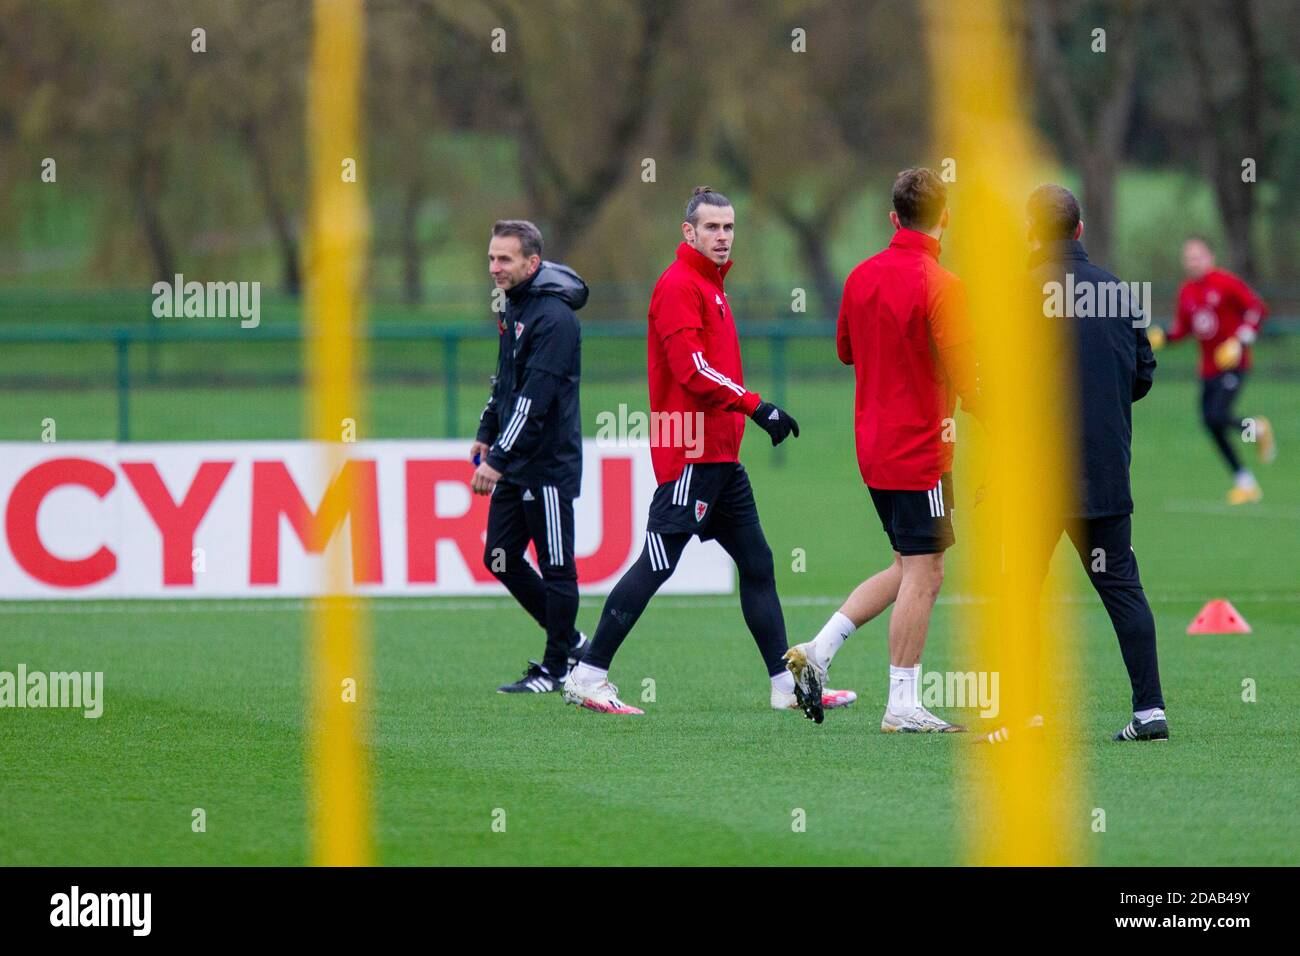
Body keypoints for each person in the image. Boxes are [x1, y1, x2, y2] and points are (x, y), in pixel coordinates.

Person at [562, 186, 856, 716]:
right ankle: (588, 673)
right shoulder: (678, 285)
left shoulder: (711, 286)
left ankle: (785, 686)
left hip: (719, 456)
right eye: (712, 228)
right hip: (690, 452)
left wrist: (744, 413)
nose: (722, 236)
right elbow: (691, 370)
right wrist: (755, 405)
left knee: (758, 563)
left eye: (729, 227)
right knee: (656, 563)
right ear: (688, 232)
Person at [784, 167, 979, 731]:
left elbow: (846, 351)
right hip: (921, 452)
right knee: (928, 571)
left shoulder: (860, 276)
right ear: (944, 218)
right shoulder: (943, 285)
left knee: (906, 564)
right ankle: (902, 705)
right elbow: (969, 376)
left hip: (872, 449)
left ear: (893, 218)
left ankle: (818, 651)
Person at [980, 184, 1166, 743]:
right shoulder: (1116, 293)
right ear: (1080, 230)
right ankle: (1150, 711)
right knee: (1122, 590)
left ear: (1031, 234)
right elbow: (1143, 374)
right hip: (1103, 475)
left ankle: (1024, 715)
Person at [471, 219, 589, 693]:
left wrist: (497, 459)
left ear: (532, 263)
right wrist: (486, 430)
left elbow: (534, 400)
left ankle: (557, 668)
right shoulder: (513, 306)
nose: (495, 268)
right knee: (498, 558)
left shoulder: (555, 320)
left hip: (547, 467)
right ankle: (572, 641)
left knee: (557, 566)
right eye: (491, 259)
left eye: (505, 259)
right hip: (516, 461)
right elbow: (505, 381)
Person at [1148, 237, 1275, 504]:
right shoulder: (1186, 292)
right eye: (1188, 257)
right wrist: (1164, 338)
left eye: (1197, 256)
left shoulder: (1225, 282)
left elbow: (1257, 309)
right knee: (1211, 422)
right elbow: (1184, 330)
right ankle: (1246, 482)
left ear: (1210, 257)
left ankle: (1258, 430)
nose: (1192, 262)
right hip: (1207, 369)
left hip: (1233, 364)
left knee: (1217, 416)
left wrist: (1238, 341)